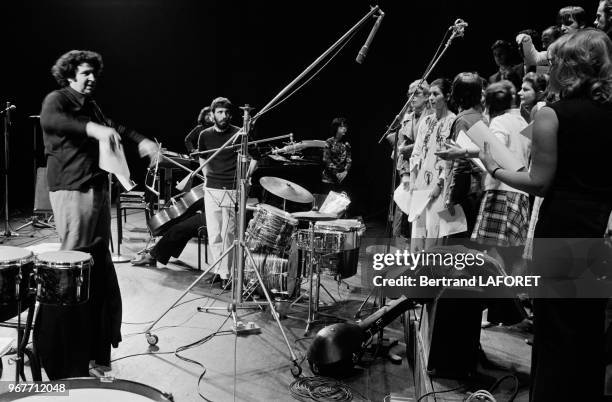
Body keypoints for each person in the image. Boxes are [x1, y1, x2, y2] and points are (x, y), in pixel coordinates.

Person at [479, 29, 612, 400]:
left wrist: (494, 168)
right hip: (597, 230)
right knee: (586, 332)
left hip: (560, 229)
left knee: (554, 331)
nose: (545, 68)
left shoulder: (553, 115)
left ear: (568, 67)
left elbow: (539, 182)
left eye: (552, 61)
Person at [37, 49, 158, 378]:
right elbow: (56, 122)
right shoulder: (57, 99)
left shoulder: (91, 105)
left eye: (94, 73)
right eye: (85, 73)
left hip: (97, 186)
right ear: (70, 73)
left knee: (95, 262)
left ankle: (92, 346)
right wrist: (96, 130)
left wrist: (142, 140)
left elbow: (113, 126)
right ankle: (59, 347)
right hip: (73, 187)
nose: (92, 78)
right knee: (75, 261)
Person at [199, 97, 255, 287]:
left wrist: (244, 178)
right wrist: (207, 177)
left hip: (232, 189)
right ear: (212, 114)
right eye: (219, 112)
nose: (223, 115)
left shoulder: (240, 134)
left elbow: (255, 158)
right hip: (211, 189)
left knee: (228, 234)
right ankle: (219, 270)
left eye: (226, 112)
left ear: (231, 114)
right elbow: (202, 157)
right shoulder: (204, 135)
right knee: (214, 233)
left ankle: (227, 275)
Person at [435, 72, 486, 235]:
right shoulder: (482, 117)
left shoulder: (462, 120)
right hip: (480, 188)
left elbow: (461, 162)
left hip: (465, 193)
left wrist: (452, 197)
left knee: (457, 247)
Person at [408, 78, 456, 250]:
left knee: (433, 236)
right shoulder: (426, 121)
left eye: (436, 94)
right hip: (421, 184)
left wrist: (440, 183)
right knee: (417, 234)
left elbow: (451, 159)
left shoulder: (453, 121)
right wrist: (412, 180)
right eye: (430, 94)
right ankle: (415, 273)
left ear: (448, 96)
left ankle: (431, 274)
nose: (431, 98)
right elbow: (417, 152)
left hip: (439, 187)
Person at [387, 80, 431, 238]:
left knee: (419, 220)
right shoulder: (406, 118)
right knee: (401, 217)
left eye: (416, 94)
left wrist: (407, 150)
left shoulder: (433, 118)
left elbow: (429, 144)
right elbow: (400, 149)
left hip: (425, 173)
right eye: (409, 95)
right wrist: (405, 173)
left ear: (427, 96)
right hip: (407, 173)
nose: (412, 98)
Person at [321, 117, 352, 195]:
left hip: (341, 179)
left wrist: (345, 171)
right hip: (329, 179)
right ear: (336, 128)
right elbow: (326, 159)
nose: (344, 129)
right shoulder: (329, 141)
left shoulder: (346, 143)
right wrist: (336, 173)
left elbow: (349, 160)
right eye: (341, 127)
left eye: (345, 127)